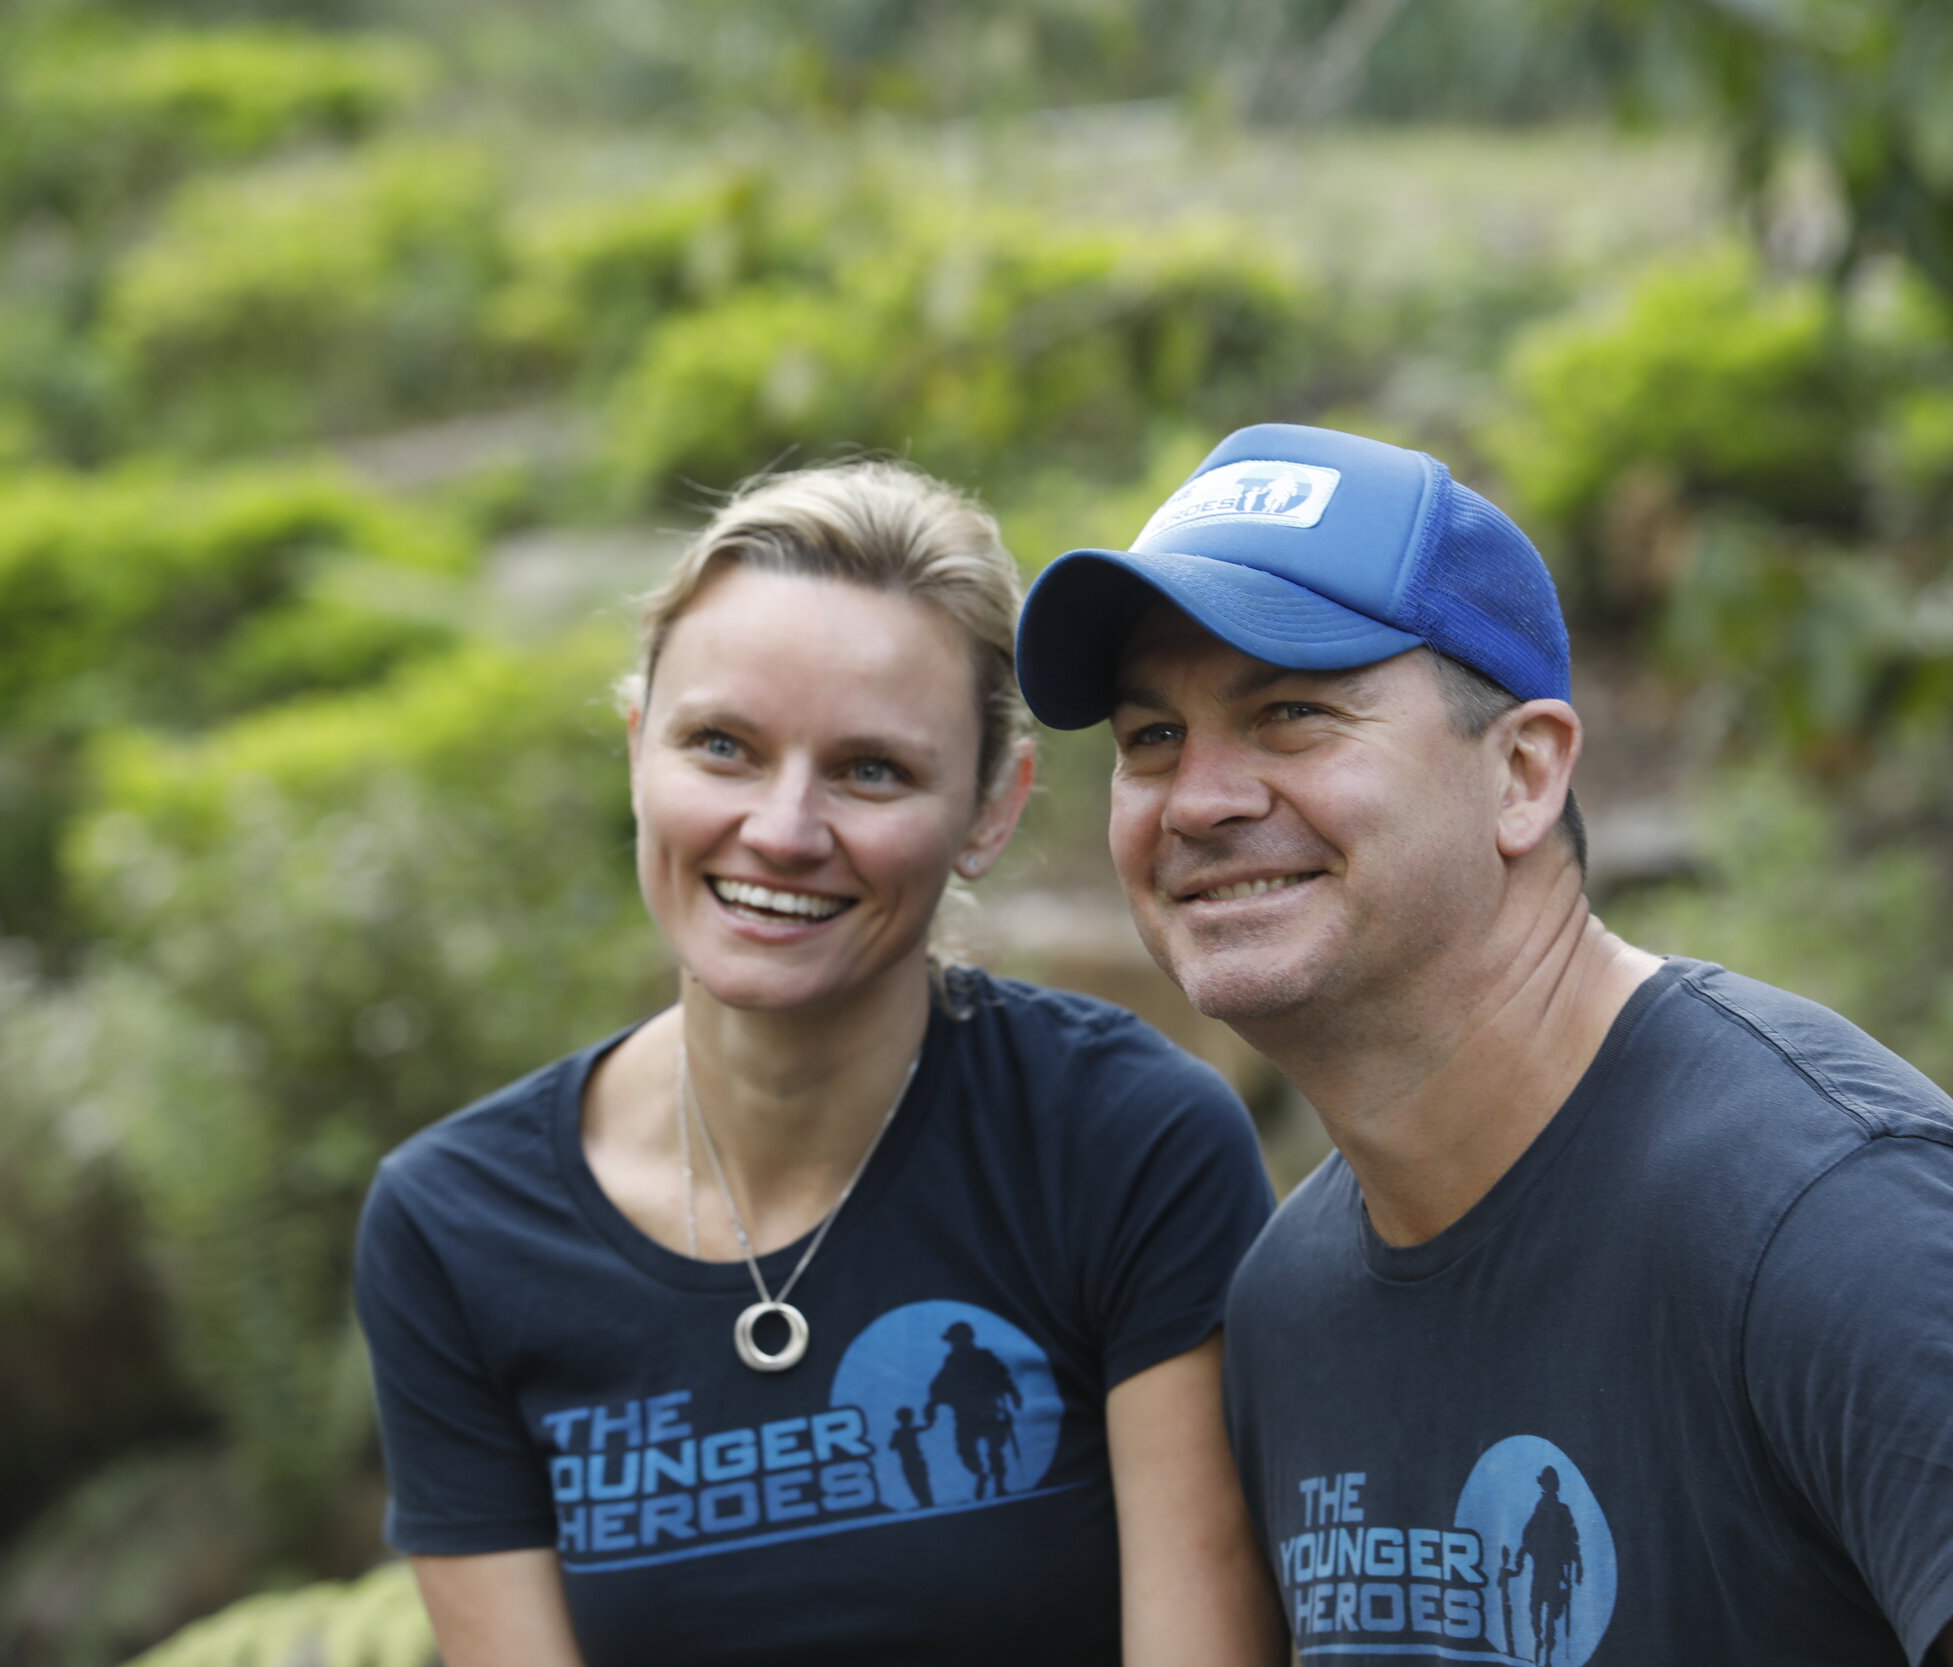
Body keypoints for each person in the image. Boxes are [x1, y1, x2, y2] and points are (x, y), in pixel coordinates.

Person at [1011, 423, 1953, 1665]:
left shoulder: (1818, 1211)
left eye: (1291, 710)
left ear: (1525, 772)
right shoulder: (1290, 1302)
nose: (1200, 798)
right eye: (1151, 737)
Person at [353, 459, 1285, 1667]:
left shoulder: (1122, 1142)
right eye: (722, 745)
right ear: (639, 750)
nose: (784, 831)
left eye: (871, 768)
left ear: (992, 810)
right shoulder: (456, 1225)